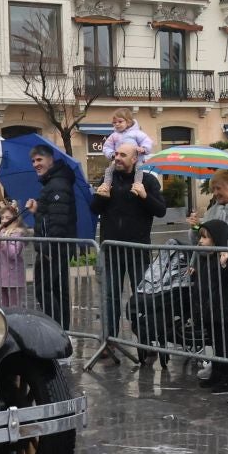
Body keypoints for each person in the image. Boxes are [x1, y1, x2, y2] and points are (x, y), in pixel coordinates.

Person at [88, 141, 167, 365]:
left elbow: (160, 210)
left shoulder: (148, 180)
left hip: (137, 250)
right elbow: (94, 209)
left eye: (123, 155)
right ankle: (109, 341)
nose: (118, 158)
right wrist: (99, 196)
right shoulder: (108, 178)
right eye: (116, 154)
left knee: (142, 297)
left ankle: (147, 342)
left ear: (135, 159)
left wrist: (144, 196)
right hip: (111, 250)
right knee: (110, 297)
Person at [25, 145, 80, 329]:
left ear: (51, 160)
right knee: (57, 290)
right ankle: (62, 331)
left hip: (54, 249)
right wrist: (36, 211)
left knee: (44, 289)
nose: (35, 164)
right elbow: (52, 217)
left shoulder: (57, 184)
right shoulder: (53, 182)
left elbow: (58, 223)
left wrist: (49, 249)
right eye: (33, 161)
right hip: (56, 248)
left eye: (39, 160)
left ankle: (57, 330)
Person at [193, 218, 228, 391]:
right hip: (208, 309)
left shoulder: (223, 257)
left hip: (220, 309)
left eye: (205, 238)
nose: (200, 241)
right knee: (215, 343)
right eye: (201, 237)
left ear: (216, 239)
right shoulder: (205, 258)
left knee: (223, 344)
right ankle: (217, 373)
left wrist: (224, 265)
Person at [0, 201, 29, 309]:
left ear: (15, 219)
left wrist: (2, 241)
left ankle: (16, 326)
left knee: (15, 307)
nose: (4, 220)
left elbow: (13, 254)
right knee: (3, 306)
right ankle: (7, 325)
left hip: (13, 278)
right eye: (2, 217)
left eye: (8, 217)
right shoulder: (0, 231)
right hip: (0, 276)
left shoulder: (18, 233)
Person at [99, 110, 156, 189]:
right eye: (114, 122)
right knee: (109, 170)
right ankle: (106, 186)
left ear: (128, 122)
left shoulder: (136, 133)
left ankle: (137, 185)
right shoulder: (114, 135)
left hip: (136, 159)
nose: (117, 124)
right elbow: (106, 147)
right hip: (118, 160)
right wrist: (111, 154)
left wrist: (143, 148)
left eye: (120, 121)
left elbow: (147, 141)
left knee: (138, 169)